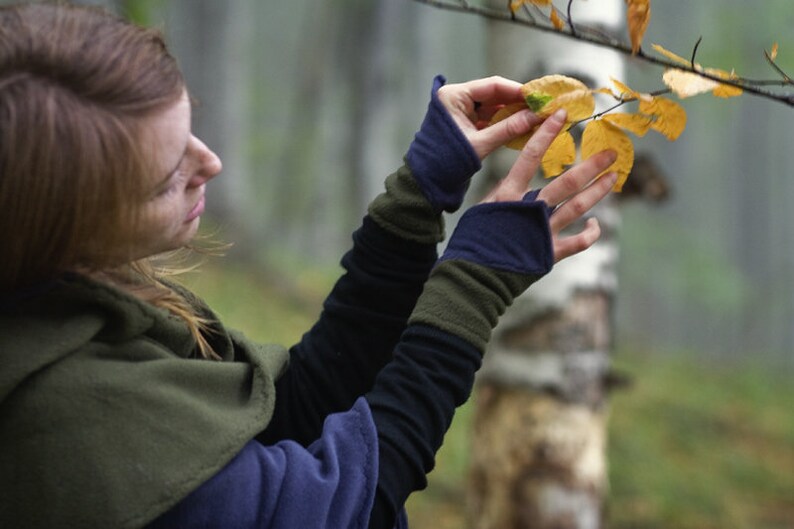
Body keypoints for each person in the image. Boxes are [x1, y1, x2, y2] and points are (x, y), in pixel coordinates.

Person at [0, 3, 618, 528]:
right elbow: (348, 506)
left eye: (191, 127)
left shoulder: (77, 301)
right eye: (167, 176)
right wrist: (472, 288)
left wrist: (417, 197)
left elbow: (288, 413)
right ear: (60, 222)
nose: (209, 162)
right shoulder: (70, 426)